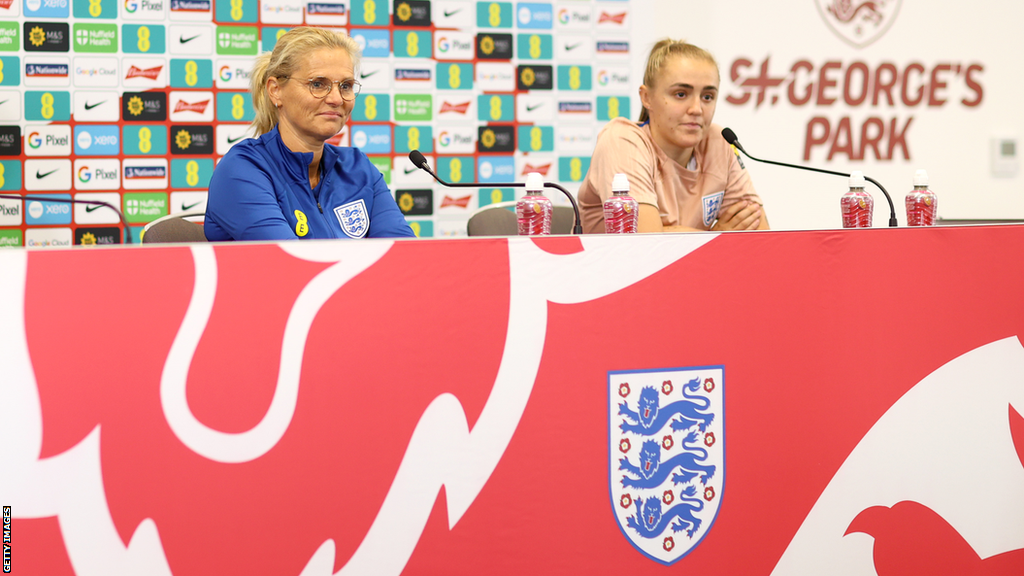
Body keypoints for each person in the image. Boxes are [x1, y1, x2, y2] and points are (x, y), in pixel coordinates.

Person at [205, 27, 415, 241]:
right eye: (317, 84)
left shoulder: (357, 167)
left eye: (346, 86)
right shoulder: (243, 169)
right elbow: (294, 267)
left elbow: (403, 257)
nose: (336, 99)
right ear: (275, 90)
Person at [576, 39, 769, 233]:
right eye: (680, 94)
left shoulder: (718, 142)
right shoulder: (622, 141)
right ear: (647, 98)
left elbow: (760, 236)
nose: (697, 109)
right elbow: (649, 245)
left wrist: (676, 232)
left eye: (707, 97)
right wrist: (718, 237)